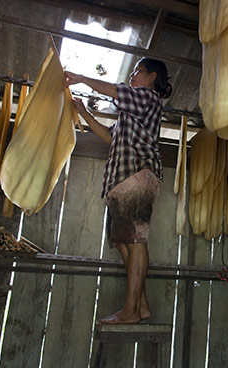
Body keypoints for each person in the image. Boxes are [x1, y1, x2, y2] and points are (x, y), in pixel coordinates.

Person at [65, 58, 172, 324]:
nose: (133, 75)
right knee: (125, 242)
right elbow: (110, 137)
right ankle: (141, 306)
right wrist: (84, 113)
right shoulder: (133, 111)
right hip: (123, 180)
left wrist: (80, 76)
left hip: (136, 175)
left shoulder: (147, 97)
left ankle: (131, 311)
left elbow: (115, 91)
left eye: (138, 71)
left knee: (134, 242)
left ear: (152, 77)